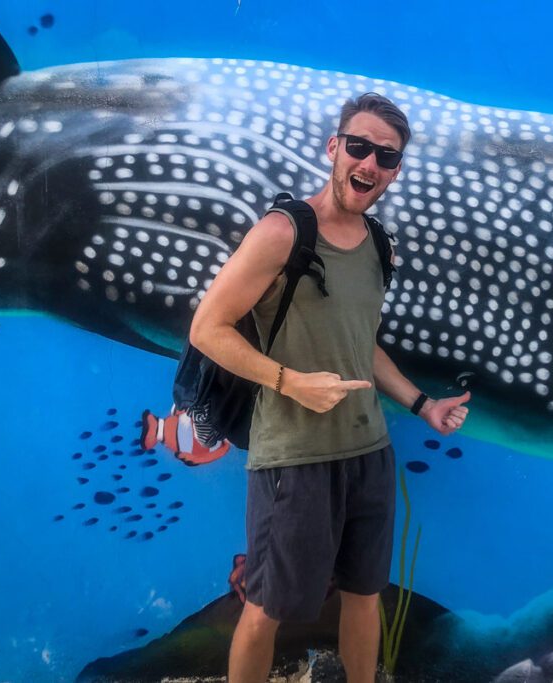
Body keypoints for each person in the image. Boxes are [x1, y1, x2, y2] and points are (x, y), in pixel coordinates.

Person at [189, 92, 471, 683]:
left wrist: (423, 405)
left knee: (366, 595)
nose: (369, 165)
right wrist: (290, 382)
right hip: (294, 459)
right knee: (267, 607)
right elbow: (207, 328)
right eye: (360, 147)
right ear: (334, 148)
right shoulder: (281, 233)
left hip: (369, 454)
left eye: (386, 157)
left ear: (395, 170)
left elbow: (359, 341)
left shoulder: (378, 245)